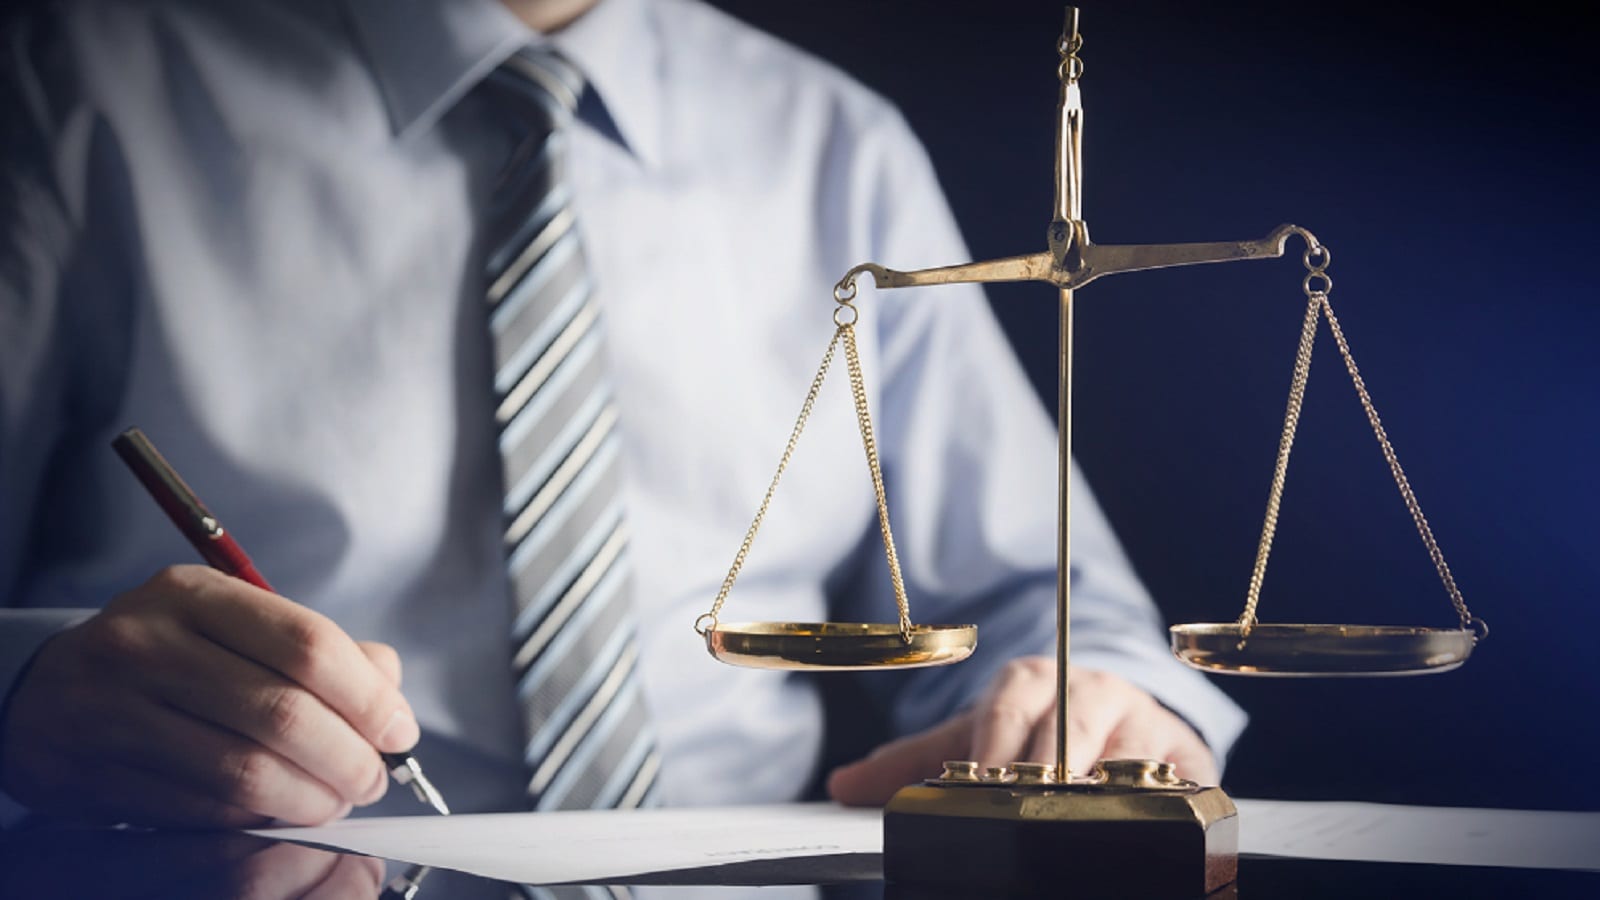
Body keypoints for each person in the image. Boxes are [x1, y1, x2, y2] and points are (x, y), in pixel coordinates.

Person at [0, 0, 1245, 838]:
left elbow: (1054, 606)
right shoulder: (61, 83)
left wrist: (1106, 707)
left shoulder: (832, 143)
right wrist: (25, 697)